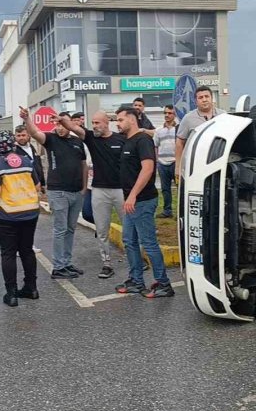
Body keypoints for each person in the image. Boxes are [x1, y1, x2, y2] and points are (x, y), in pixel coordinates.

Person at [56, 110, 126, 279]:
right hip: (99, 190)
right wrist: (62, 120)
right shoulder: (91, 138)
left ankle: (136, 259)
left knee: (129, 227)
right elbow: (74, 127)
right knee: (102, 230)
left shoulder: (121, 139)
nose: (94, 126)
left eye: (97, 123)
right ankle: (107, 264)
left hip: (121, 190)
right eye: (92, 123)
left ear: (106, 122)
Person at [113, 107, 174, 298]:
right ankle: (136, 281)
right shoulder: (127, 141)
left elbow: (147, 169)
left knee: (148, 243)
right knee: (129, 241)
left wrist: (132, 195)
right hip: (132, 202)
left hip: (143, 201)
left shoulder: (143, 140)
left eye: (121, 120)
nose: (118, 123)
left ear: (132, 120)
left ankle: (164, 284)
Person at [21, 106, 88, 279]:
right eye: (56, 124)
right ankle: (58, 267)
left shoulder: (77, 142)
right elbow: (35, 132)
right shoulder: (50, 139)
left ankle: (66, 262)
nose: (59, 127)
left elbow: (83, 165)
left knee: (71, 229)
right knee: (60, 229)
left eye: (62, 124)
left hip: (76, 192)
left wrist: (83, 188)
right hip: (58, 191)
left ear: (69, 124)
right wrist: (27, 119)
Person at [0, 130, 42, 306]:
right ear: (13, 143)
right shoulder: (26, 161)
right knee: (27, 250)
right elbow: (38, 186)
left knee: (8, 253)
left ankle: (11, 294)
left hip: (7, 215)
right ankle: (31, 289)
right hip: (30, 212)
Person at [175, 86, 226, 178]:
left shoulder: (223, 116)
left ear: (212, 98)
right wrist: (178, 166)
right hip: (195, 165)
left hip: (218, 162)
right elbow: (179, 143)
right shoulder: (188, 118)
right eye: (200, 97)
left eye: (207, 96)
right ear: (196, 101)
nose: (204, 100)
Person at [14, 124, 46, 254]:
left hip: (34, 188)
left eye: (23, 135)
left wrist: (42, 184)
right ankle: (18, 246)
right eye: (18, 135)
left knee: (31, 218)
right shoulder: (14, 151)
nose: (21, 138)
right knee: (20, 218)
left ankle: (28, 244)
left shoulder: (32, 148)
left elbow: (37, 166)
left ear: (28, 135)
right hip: (20, 190)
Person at [154, 105, 178, 218]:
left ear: (174, 115)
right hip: (162, 163)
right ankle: (167, 211)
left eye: (169, 113)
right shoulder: (159, 130)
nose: (167, 115)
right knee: (165, 189)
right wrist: (156, 161)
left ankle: (180, 213)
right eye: (165, 113)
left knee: (179, 189)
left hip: (175, 162)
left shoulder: (179, 128)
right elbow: (155, 146)